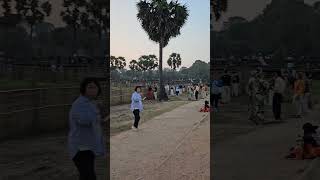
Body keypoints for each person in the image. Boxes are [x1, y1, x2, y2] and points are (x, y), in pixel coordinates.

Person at [68, 77, 105, 180]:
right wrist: (98, 111)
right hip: (80, 148)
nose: (93, 90)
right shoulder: (80, 103)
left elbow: (97, 121)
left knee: (86, 175)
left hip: (88, 146)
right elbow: (84, 120)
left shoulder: (90, 103)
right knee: (89, 176)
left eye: (95, 87)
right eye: (90, 87)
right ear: (84, 89)